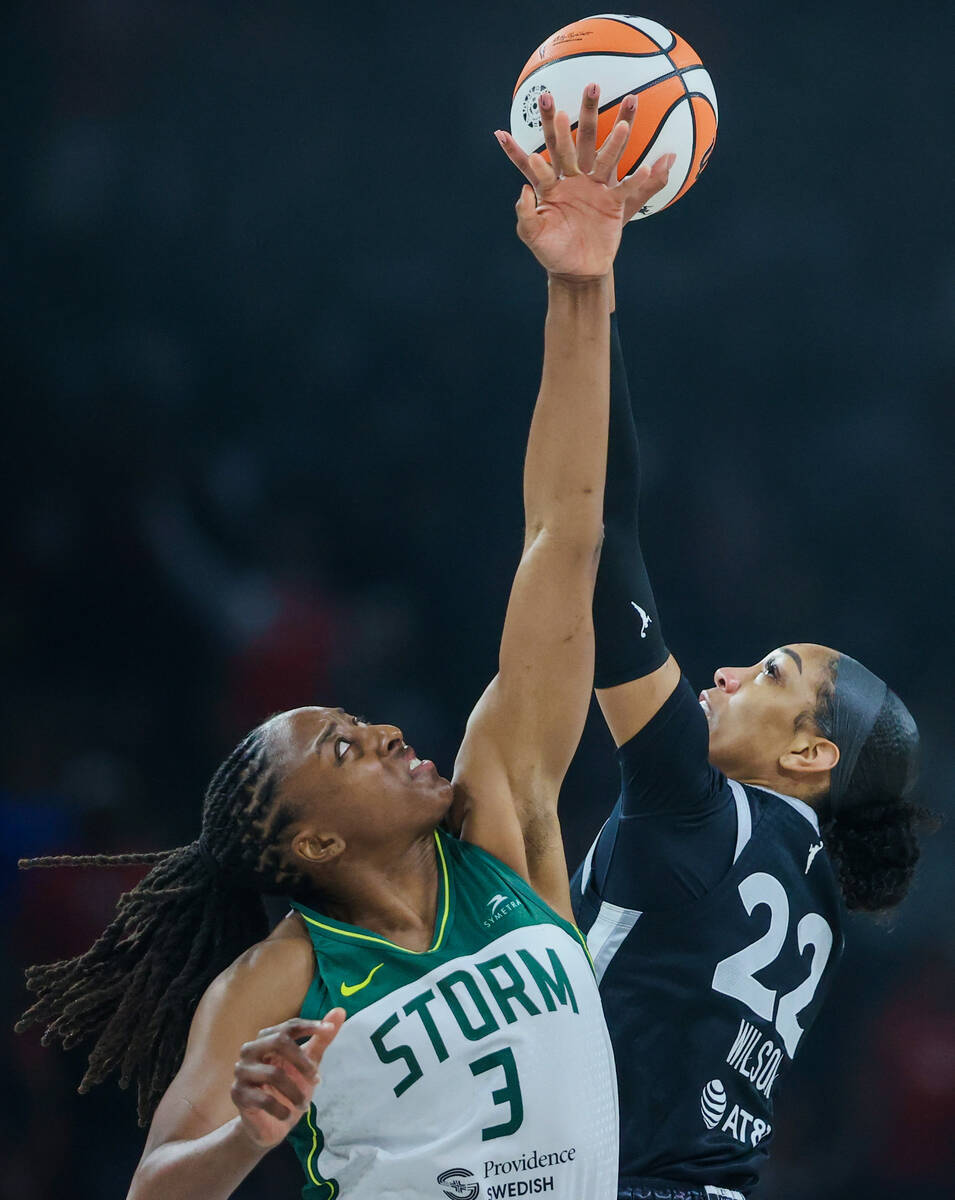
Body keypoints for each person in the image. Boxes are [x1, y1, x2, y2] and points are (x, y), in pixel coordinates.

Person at [17, 94, 675, 1200]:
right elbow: (153, 1189)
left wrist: (581, 281)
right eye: (339, 752)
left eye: (355, 724)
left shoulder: (502, 828)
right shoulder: (279, 980)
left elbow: (565, 536)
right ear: (309, 848)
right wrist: (244, 1135)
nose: (377, 729)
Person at [498, 90, 929, 1200]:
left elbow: (599, 534)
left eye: (773, 677)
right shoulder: (814, 892)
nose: (730, 670)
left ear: (808, 758)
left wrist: (586, 279)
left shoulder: (699, 807)